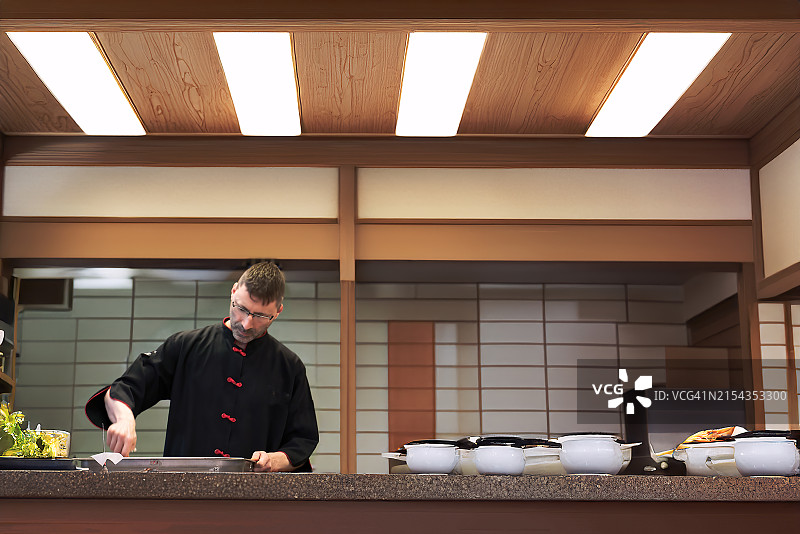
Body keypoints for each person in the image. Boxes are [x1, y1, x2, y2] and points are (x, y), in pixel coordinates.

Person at [85, 262, 319, 472]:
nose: (247, 324)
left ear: (277, 312)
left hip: (257, 498)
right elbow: (125, 389)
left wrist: (274, 460)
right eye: (242, 309)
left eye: (260, 316)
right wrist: (124, 421)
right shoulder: (186, 346)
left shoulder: (289, 366)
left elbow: (302, 440)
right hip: (184, 491)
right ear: (234, 291)